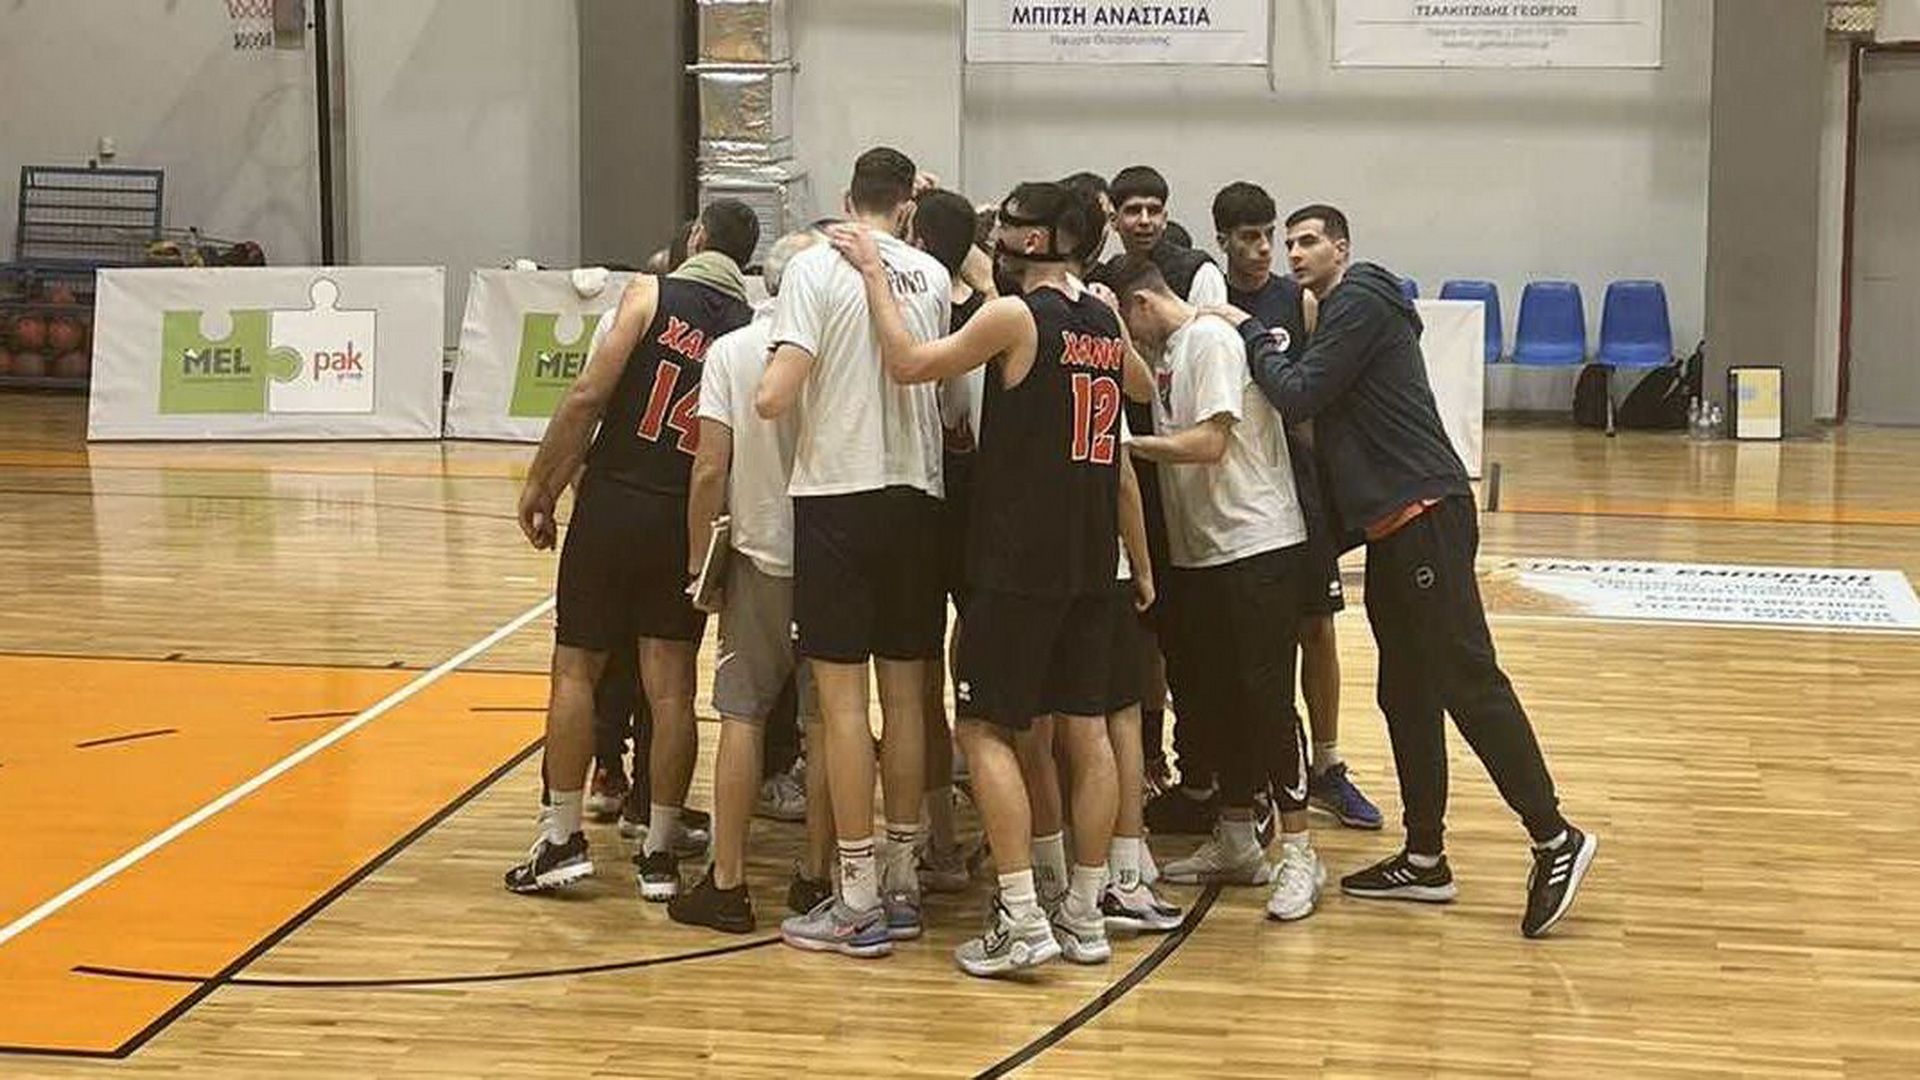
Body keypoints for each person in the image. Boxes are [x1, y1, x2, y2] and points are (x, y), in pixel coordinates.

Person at [1218, 203, 1597, 938]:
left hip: (1425, 514)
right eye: (1289, 243)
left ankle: (1555, 836)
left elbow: (1297, 392)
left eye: (1307, 241)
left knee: (1467, 679)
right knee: (1405, 693)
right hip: (1393, 529)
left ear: (1342, 248)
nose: (1294, 254)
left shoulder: (1359, 296)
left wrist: (1249, 333)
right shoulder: (1344, 314)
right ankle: (1425, 857)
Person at [829, 180, 1136, 976]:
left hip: (1020, 555)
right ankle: (1085, 912)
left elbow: (907, 363)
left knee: (984, 730)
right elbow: (1138, 387)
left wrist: (874, 273)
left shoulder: (1016, 317)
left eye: (1010, 225)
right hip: (1091, 553)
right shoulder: (1102, 319)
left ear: (1033, 241)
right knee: (1086, 732)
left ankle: (1023, 915)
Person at [505, 199, 760, 897]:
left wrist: (542, 481)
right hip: (689, 515)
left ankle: (561, 839)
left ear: (697, 239)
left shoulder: (650, 293)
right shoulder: (751, 328)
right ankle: (659, 852)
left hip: (616, 499)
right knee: (672, 688)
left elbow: (589, 395)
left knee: (576, 671)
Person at [756, 147, 948, 958]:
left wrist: (764, 378)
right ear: (907, 204)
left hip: (838, 491)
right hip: (918, 493)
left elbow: (776, 394)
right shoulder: (932, 275)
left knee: (840, 707)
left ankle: (857, 893)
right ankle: (902, 882)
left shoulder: (814, 266)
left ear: (847, 198)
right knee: (907, 701)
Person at [1109, 253, 1325, 924]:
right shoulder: (1170, 349)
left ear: (1142, 305)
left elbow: (1209, 443)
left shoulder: (1208, 340)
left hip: (1256, 543)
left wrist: (1129, 447)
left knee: (1267, 701)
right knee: (1217, 700)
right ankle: (1236, 837)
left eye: (1124, 324)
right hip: (1202, 550)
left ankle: (1300, 851)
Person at [664, 230, 830, 932]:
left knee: (741, 715)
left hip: (759, 552)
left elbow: (709, 467)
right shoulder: (840, 346)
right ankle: (819, 877)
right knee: (829, 723)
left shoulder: (730, 352)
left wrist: (699, 561)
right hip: (831, 554)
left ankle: (727, 880)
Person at [1211, 181, 1383, 832]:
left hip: (1300, 487)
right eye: (1250, 237)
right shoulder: (1211, 302)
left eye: (1270, 235)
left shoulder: (1301, 301)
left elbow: (1317, 397)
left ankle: (1328, 765)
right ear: (1223, 240)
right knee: (1252, 644)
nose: (1264, 249)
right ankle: (1260, 773)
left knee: (1317, 626)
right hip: (1237, 492)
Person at [906, 188, 990, 895]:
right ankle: (1016, 833)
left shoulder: (913, 312)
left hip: (926, 508)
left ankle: (937, 838)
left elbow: (951, 412)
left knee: (918, 682)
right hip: (991, 516)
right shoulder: (998, 313)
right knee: (989, 678)